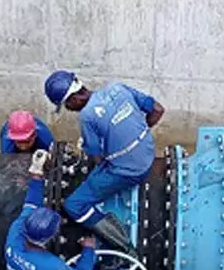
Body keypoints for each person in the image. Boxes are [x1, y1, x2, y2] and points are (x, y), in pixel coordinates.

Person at [42, 70, 165, 258]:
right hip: (148, 154)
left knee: (74, 205)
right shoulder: (118, 88)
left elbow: (95, 156)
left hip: (130, 171)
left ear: (73, 100)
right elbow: (157, 110)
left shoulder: (87, 116)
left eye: (66, 106)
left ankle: (123, 247)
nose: (70, 109)